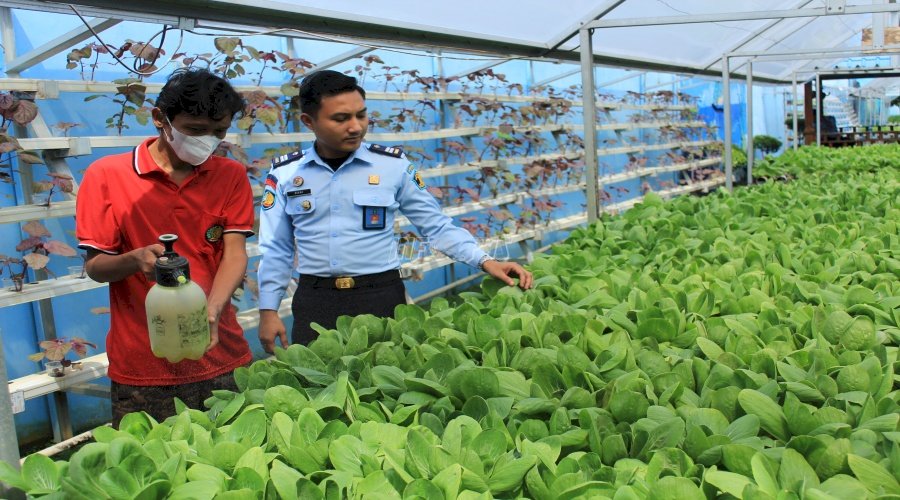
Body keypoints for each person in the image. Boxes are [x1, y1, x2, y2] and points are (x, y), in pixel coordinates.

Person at [257, 70, 533, 352]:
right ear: (309, 121)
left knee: (389, 384)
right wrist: (268, 310)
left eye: (361, 115)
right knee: (317, 387)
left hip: (380, 296)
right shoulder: (286, 173)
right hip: (316, 301)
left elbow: (435, 226)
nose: (356, 127)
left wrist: (485, 261)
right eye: (341, 119)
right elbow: (276, 247)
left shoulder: (392, 166)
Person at [76, 68, 254, 427]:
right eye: (195, 130)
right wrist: (133, 259)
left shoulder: (229, 175)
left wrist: (213, 312)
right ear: (160, 119)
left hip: (221, 354)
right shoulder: (107, 176)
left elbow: (234, 252)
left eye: (218, 132)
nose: (208, 142)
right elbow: (96, 267)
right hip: (144, 364)